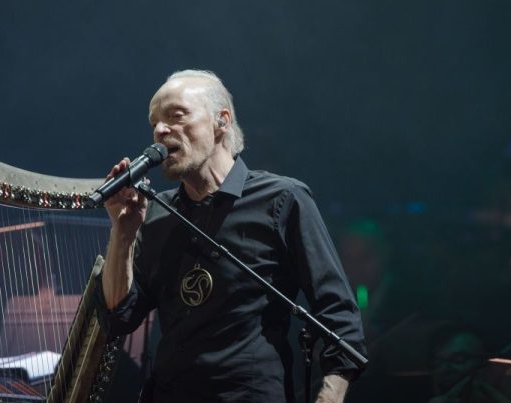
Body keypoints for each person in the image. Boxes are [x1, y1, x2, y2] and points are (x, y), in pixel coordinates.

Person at [96, 69, 366, 402]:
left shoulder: (282, 199)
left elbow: (339, 316)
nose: (160, 130)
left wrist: (330, 396)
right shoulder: (155, 213)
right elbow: (119, 317)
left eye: (176, 116)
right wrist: (121, 233)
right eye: (154, 123)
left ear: (221, 121)